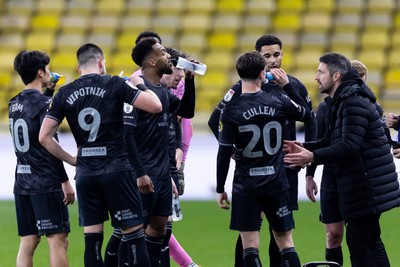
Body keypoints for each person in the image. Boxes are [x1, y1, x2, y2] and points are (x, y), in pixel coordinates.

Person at [39, 43, 163, 267]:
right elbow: (155, 106)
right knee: (134, 237)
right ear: (101, 62)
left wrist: (73, 160)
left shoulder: (64, 93)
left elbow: (44, 137)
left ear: (78, 68)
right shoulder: (115, 83)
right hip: (116, 170)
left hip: (86, 174)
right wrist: (140, 85)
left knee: (93, 241)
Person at [208, 34, 317, 267]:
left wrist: (307, 153)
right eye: (266, 56)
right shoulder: (241, 88)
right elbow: (213, 121)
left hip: (286, 166)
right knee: (256, 231)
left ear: (282, 54)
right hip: (261, 166)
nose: (273, 60)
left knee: (272, 232)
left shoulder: (293, 85)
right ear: (259, 59)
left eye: (276, 54)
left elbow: (311, 120)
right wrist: (233, 150)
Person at [284, 52, 400, 267]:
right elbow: (332, 140)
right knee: (370, 242)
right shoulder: (342, 101)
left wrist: (312, 156)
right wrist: (305, 146)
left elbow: (349, 146)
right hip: (364, 187)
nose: (316, 77)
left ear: (336, 76)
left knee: (360, 245)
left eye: (320, 72)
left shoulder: (352, 102)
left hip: (366, 189)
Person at [125, 38, 195, 267]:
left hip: (163, 175)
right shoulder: (133, 91)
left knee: (159, 229)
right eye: (164, 53)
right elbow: (127, 137)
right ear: (153, 61)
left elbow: (186, 110)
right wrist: (139, 173)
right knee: (132, 233)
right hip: (144, 175)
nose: (169, 57)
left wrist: (191, 81)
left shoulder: (163, 92)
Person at [9, 50, 75, 267]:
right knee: (58, 240)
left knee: (28, 241)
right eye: (47, 69)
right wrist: (65, 179)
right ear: (40, 72)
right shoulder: (46, 105)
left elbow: (32, 120)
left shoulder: (13, 103)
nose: (49, 72)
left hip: (22, 181)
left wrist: (47, 94)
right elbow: (49, 144)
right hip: (45, 181)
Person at [305, 59, 372, 265]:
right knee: (333, 234)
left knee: (360, 236)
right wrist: (310, 174)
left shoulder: (367, 106)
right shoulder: (326, 108)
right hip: (332, 177)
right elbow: (320, 142)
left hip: (357, 178)